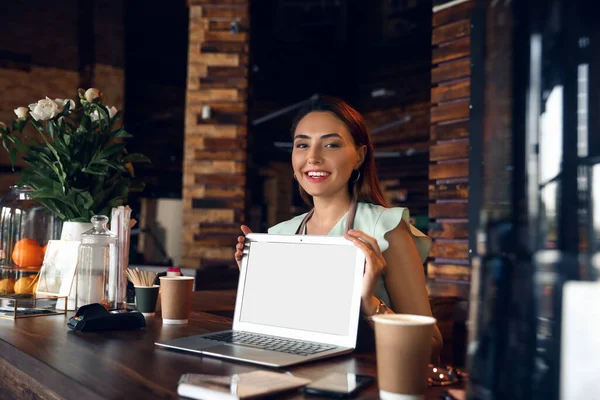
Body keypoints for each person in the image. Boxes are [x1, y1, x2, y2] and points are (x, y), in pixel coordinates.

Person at [234, 96, 443, 358]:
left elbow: (431, 345)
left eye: (331, 144)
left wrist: (369, 302)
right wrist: (255, 284)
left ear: (359, 156)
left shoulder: (385, 229)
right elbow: (279, 336)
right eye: (302, 145)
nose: (313, 157)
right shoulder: (279, 235)